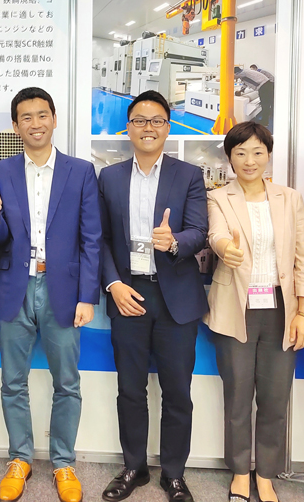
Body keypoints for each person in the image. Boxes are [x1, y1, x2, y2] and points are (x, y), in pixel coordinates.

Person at [0, 87, 101, 502]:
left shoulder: (80, 171)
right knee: (12, 382)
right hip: (14, 287)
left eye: (42, 115)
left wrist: (87, 296)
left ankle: (64, 463)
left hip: (62, 290)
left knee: (66, 382)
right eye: (26, 117)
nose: (35, 124)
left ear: (54, 119)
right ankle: (20, 458)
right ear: (16, 126)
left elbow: (91, 238)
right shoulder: (1, 171)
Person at [98, 90, 208, 502]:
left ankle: (174, 474)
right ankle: (134, 467)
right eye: (140, 121)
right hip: (128, 294)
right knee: (130, 389)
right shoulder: (109, 177)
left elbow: (200, 232)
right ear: (128, 128)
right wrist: (113, 284)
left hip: (175, 297)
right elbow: (100, 239)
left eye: (157, 120)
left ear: (167, 126)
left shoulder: (189, 174)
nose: (148, 127)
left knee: (177, 391)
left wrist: (174, 241)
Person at [205, 122, 304, 502]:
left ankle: (265, 474)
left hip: (282, 309)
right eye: (240, 153)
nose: (249, 160)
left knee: (274, 397)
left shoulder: (289, 198)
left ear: (268, 154)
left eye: (257, 152)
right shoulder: (219, 197)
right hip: (235, 306)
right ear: (230, 157)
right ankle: (240, 472)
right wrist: (226, 249)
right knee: (237, 396)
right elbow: (216, 235)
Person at [234, 66, 274, 131]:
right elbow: (245, 83)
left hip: (264, 86)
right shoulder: (245, 73)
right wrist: (241, 91)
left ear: (236, 72)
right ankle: (266, 120)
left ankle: (265, 122)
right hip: (266, 85)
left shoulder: (243, 73)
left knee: (265, 105)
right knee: (266, 104)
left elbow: (235, 76)